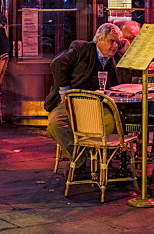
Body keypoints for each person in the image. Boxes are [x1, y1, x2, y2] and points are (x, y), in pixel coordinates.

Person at [44, 23, 122, 177]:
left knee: (112, 125)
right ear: (99, 39)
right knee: (56, 124)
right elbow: (58, 63)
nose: (114, 46)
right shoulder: (82, 49)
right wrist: (64, 91)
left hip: (102, 105)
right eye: (111, 41)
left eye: (117, 43)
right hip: (74, 103)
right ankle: (79, 159)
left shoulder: (117, 58)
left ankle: (101, 164)